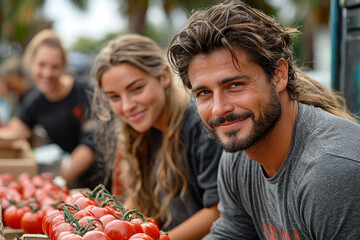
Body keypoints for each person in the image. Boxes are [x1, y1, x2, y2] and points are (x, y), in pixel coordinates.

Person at [167, 1, 360, 239]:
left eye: (234, 85)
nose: (219, 108)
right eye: (204, 93)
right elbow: (232, 232)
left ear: (279, 75)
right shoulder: (238, 155)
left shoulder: (330, 171)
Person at [92, 34, 222, 239]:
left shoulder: (200, 126)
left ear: (163, 77)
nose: (127, 106)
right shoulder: (141, 134)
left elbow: (218, 212)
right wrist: (105, 228)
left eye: (136, 89)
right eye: (114, 97)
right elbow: (140, 199)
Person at [0, 29, 111, 190]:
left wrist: (58, 184)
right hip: (79, 184)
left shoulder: (86, 91)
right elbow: (14, 132)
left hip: (106, 179)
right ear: (31, 64)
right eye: (41, 65)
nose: (47, 73)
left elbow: (89, 146)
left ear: (64, 66)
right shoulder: (34, 102)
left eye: (55, 67)